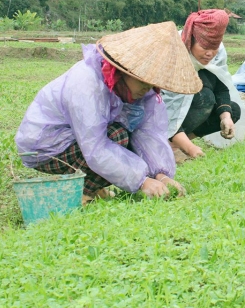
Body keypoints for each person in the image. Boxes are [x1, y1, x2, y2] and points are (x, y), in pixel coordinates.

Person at [15, 22, 199, 205]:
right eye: (143, 82)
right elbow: (95, 146)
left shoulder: (143, 91)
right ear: (125, 70)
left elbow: (149, 134)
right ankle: (81, 192)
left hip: (76, 142)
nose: (147, 88)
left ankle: (94, 187)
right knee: (118, 136)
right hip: (46, 147)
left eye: (151, 84)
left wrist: (161, 175)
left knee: (128, 134)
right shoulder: (87, 83)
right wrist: (142, 181)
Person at [164, 9, 245, 162]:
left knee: (232, 109)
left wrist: (226, 117)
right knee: (204, 97)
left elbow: (221, 88)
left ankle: (179, 144)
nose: (210, 54)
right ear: (190, 41)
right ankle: (170, 145)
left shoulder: (215, 57)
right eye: (205, 47)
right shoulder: (174, 57)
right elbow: (165, 111)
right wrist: (191, 149)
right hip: (160, 122)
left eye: (214, 48)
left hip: (188, 115)